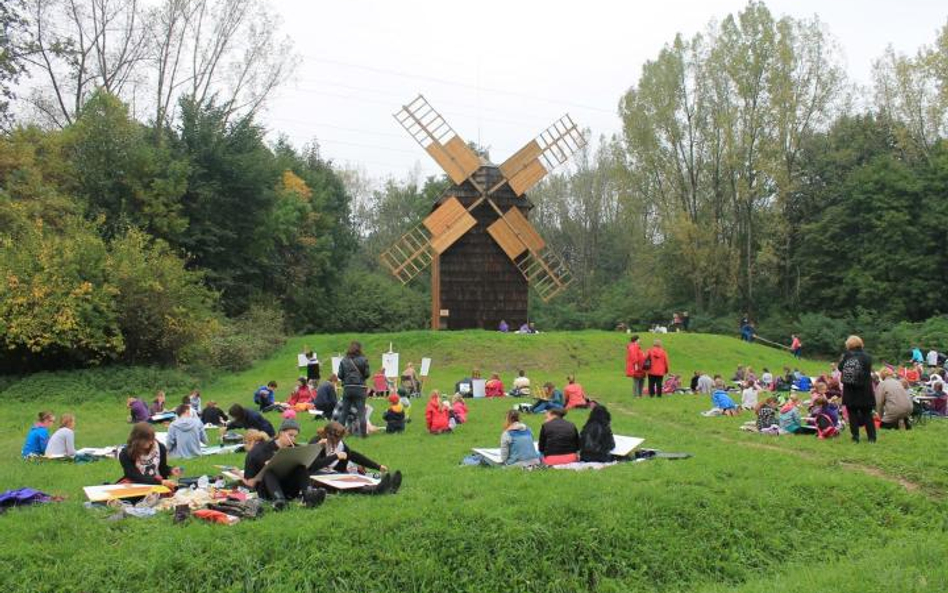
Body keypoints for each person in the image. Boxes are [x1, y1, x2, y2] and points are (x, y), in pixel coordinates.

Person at [242, 419, 326, 510]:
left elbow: (313, 467)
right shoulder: (262, 449)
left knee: (300, 467)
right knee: (269, 470)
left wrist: (317, 448)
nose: (293, 439)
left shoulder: (295, 448)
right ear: (281, 433)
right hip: (268, 490)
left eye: (295, 436)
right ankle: (279, 501)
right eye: (290, 435)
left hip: (289, 489)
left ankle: (309, 496)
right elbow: (250, 480)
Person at [307, 421, 401, 494]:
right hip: (316, 476)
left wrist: (378, 466)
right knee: (346, 480)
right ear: (327, 435)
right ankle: (374, 490)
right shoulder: (316, 441)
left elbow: (354, 456)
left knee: (351, 475)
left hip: (334, 473)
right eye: (334, 440)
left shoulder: (340, 444)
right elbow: (314, 465)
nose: (336, 443)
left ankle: (388, 486)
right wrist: (335, 456)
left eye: (339, 440)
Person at [839, 335, 876, 443]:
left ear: (848, 345)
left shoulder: (846, 356)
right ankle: (871, 438)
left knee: (852, 414)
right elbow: (868, 370)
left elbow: (840, 368)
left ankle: (855, 437)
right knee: (867, 414)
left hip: (850, 389)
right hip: (864, 389)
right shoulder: (867, 357)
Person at [118, 423, 179, 488]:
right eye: (148, 440)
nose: (151, 442)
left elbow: (162, 468)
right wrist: (160, 482)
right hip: (138, 484)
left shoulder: (160, 448)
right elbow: (133, 476)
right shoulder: (125, 454)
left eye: (152, 439)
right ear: (138, 440)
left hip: (159, 483)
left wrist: (170, 470)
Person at [338, 341, 370, 437]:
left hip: (347, 388)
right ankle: (363, 435)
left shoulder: (344, 360)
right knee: (361, 412)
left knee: (344, 412)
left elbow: (340, 375)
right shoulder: (364, 360)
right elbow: (367, 374)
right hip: (360, 388)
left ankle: (338, 434)